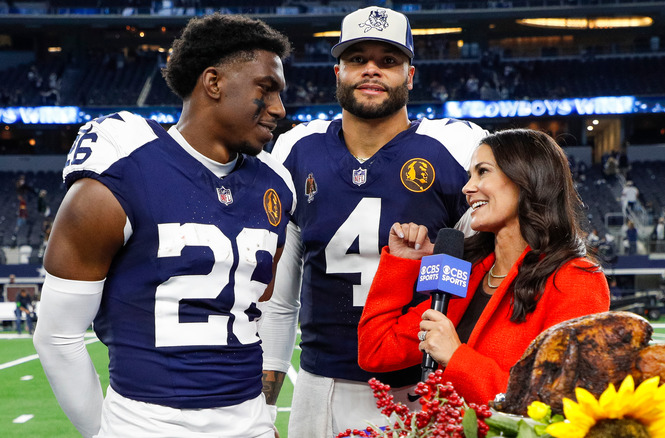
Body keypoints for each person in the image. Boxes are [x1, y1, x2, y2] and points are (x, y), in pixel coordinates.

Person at [32, 14, 294, 438]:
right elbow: (57, 337)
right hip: (147, 424)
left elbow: (255, 304)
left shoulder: (276, 185)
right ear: (214, 83)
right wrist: (104, 432)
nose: (280, 109)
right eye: (266, 90)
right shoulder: (123, 170)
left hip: (251, 423)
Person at [258, 7, 489, 436]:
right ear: (338, 71)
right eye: (357, 59)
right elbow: (281, 297)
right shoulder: (295, 149)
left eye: (388, 61)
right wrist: (266, 406)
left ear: (410, 74)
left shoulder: (459, 146)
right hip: (320, 381)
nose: (371, 70)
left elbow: (491, 268)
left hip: (422, 381)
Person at [357, 128, 610, 405]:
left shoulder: (576, 281)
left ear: (525, 178)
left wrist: (457, 359)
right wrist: (402, 264)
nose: (467, 188)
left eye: (483, 172)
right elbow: (377, 350)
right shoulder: (469, 273)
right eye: (469, 176)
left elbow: (558, 402)